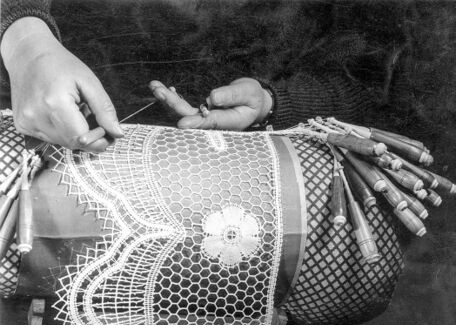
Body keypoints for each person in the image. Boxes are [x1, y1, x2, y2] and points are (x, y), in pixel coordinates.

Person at [0, 0, 372, 152]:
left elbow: (377, 76)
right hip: (46, 138)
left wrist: (274, 102)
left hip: (257, 188)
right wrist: (24, 37)